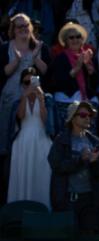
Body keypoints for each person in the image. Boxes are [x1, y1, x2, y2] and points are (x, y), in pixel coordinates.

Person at [48, 101, 99, 234]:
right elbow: (56, 165)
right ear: (72, 118)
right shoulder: (61, 140)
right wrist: (80, 160)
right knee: (70, 238)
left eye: (90, 115)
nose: (88, 118)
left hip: (90, 199)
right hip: (68, 200)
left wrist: (95, 163)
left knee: (89, 239)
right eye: (83, 115)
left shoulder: (95, 141)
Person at [0, 13, 50, 155]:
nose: (23, 28)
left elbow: (47, 71)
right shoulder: (5, 48)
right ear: (13, 29)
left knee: (33, 139)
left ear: (31, 27)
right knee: (6, 142)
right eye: (19, 26)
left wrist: (35, 58)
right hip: (10, 98)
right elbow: (3, 73)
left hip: (34, 101)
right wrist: (16, 61)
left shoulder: (41, 47)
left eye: (26, 25)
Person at [7, 67, 52, 208]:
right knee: (23, 177)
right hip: (23, 142)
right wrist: (25, 96)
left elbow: (46, 121)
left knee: (42, 177)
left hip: (42, 141)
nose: (29, 85)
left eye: (32, 81)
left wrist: (41, 99)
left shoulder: (47, 98)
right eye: (26, 82)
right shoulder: (18, 100)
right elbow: (21, 116)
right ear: (22, 84)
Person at [51, 21, 99, 135]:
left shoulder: (88, 56)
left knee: (89, 136)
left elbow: (96, 83)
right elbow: (59, 82)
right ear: (66, 41)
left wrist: (90, 69)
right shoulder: (60, 58)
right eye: (71, 37)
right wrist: (77, 68)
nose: (75, 40)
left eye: (78, 37)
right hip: (66, 102)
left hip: (87, 103)